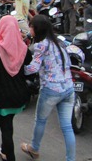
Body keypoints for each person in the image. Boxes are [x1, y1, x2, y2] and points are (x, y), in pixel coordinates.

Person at [20, 15, 75, 161]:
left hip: (51, 89)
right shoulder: (59, 42)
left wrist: (17, 69)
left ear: (36, 29)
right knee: (67, 126)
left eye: (30, 26)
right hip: (68, 88)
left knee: (40, 120)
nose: (29, 29)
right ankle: (71, 158)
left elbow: (32, 68)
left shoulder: (41, 45)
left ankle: (34, 148)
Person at [0, 16, 32, 161]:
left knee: (6, 128)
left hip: (1, 93)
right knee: (8, 124)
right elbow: (29, 63)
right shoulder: (22, 47)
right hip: (19, 92)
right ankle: (4, 149)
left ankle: (10, 156)